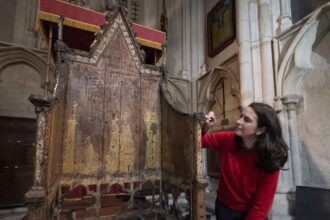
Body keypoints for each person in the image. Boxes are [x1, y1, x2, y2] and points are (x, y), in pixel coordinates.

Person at [198, 102, 288, 220]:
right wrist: (206, 127)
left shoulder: (269, 159)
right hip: (223, 207)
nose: (238, 121)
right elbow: (198, 142)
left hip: (251, 213)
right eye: (241, 116)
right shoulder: (228, 139)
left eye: (247, 119)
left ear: (261, 129)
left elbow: (260, 209)